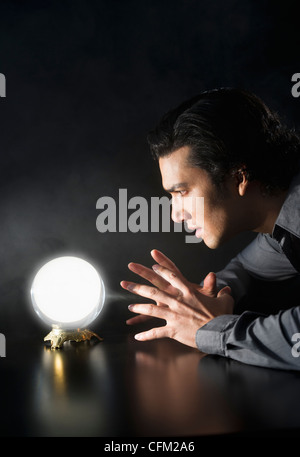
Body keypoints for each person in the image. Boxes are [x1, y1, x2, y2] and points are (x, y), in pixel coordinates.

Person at [120, 87, 300, 371]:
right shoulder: (284, 226)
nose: (175, 214)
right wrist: (205, 297)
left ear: (240, 177)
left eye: (182, 192)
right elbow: (248, 268)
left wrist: (213, 329)